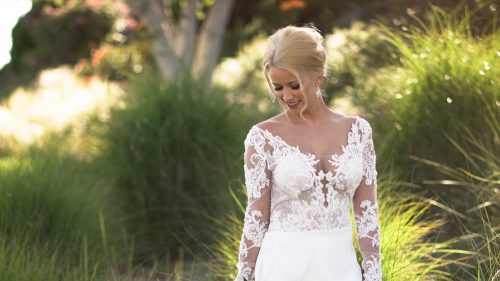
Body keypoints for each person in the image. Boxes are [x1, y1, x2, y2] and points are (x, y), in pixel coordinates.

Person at [234, 24, 382, 281]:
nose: (286, 96)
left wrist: (374, 274)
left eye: (294, 85)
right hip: (282, 265)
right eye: (278, 87)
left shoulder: (358, 132)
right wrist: (244, 275)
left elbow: (367, 213)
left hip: (341, 266)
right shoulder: (263, 137)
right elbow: (256, 216)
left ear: (318, 76)